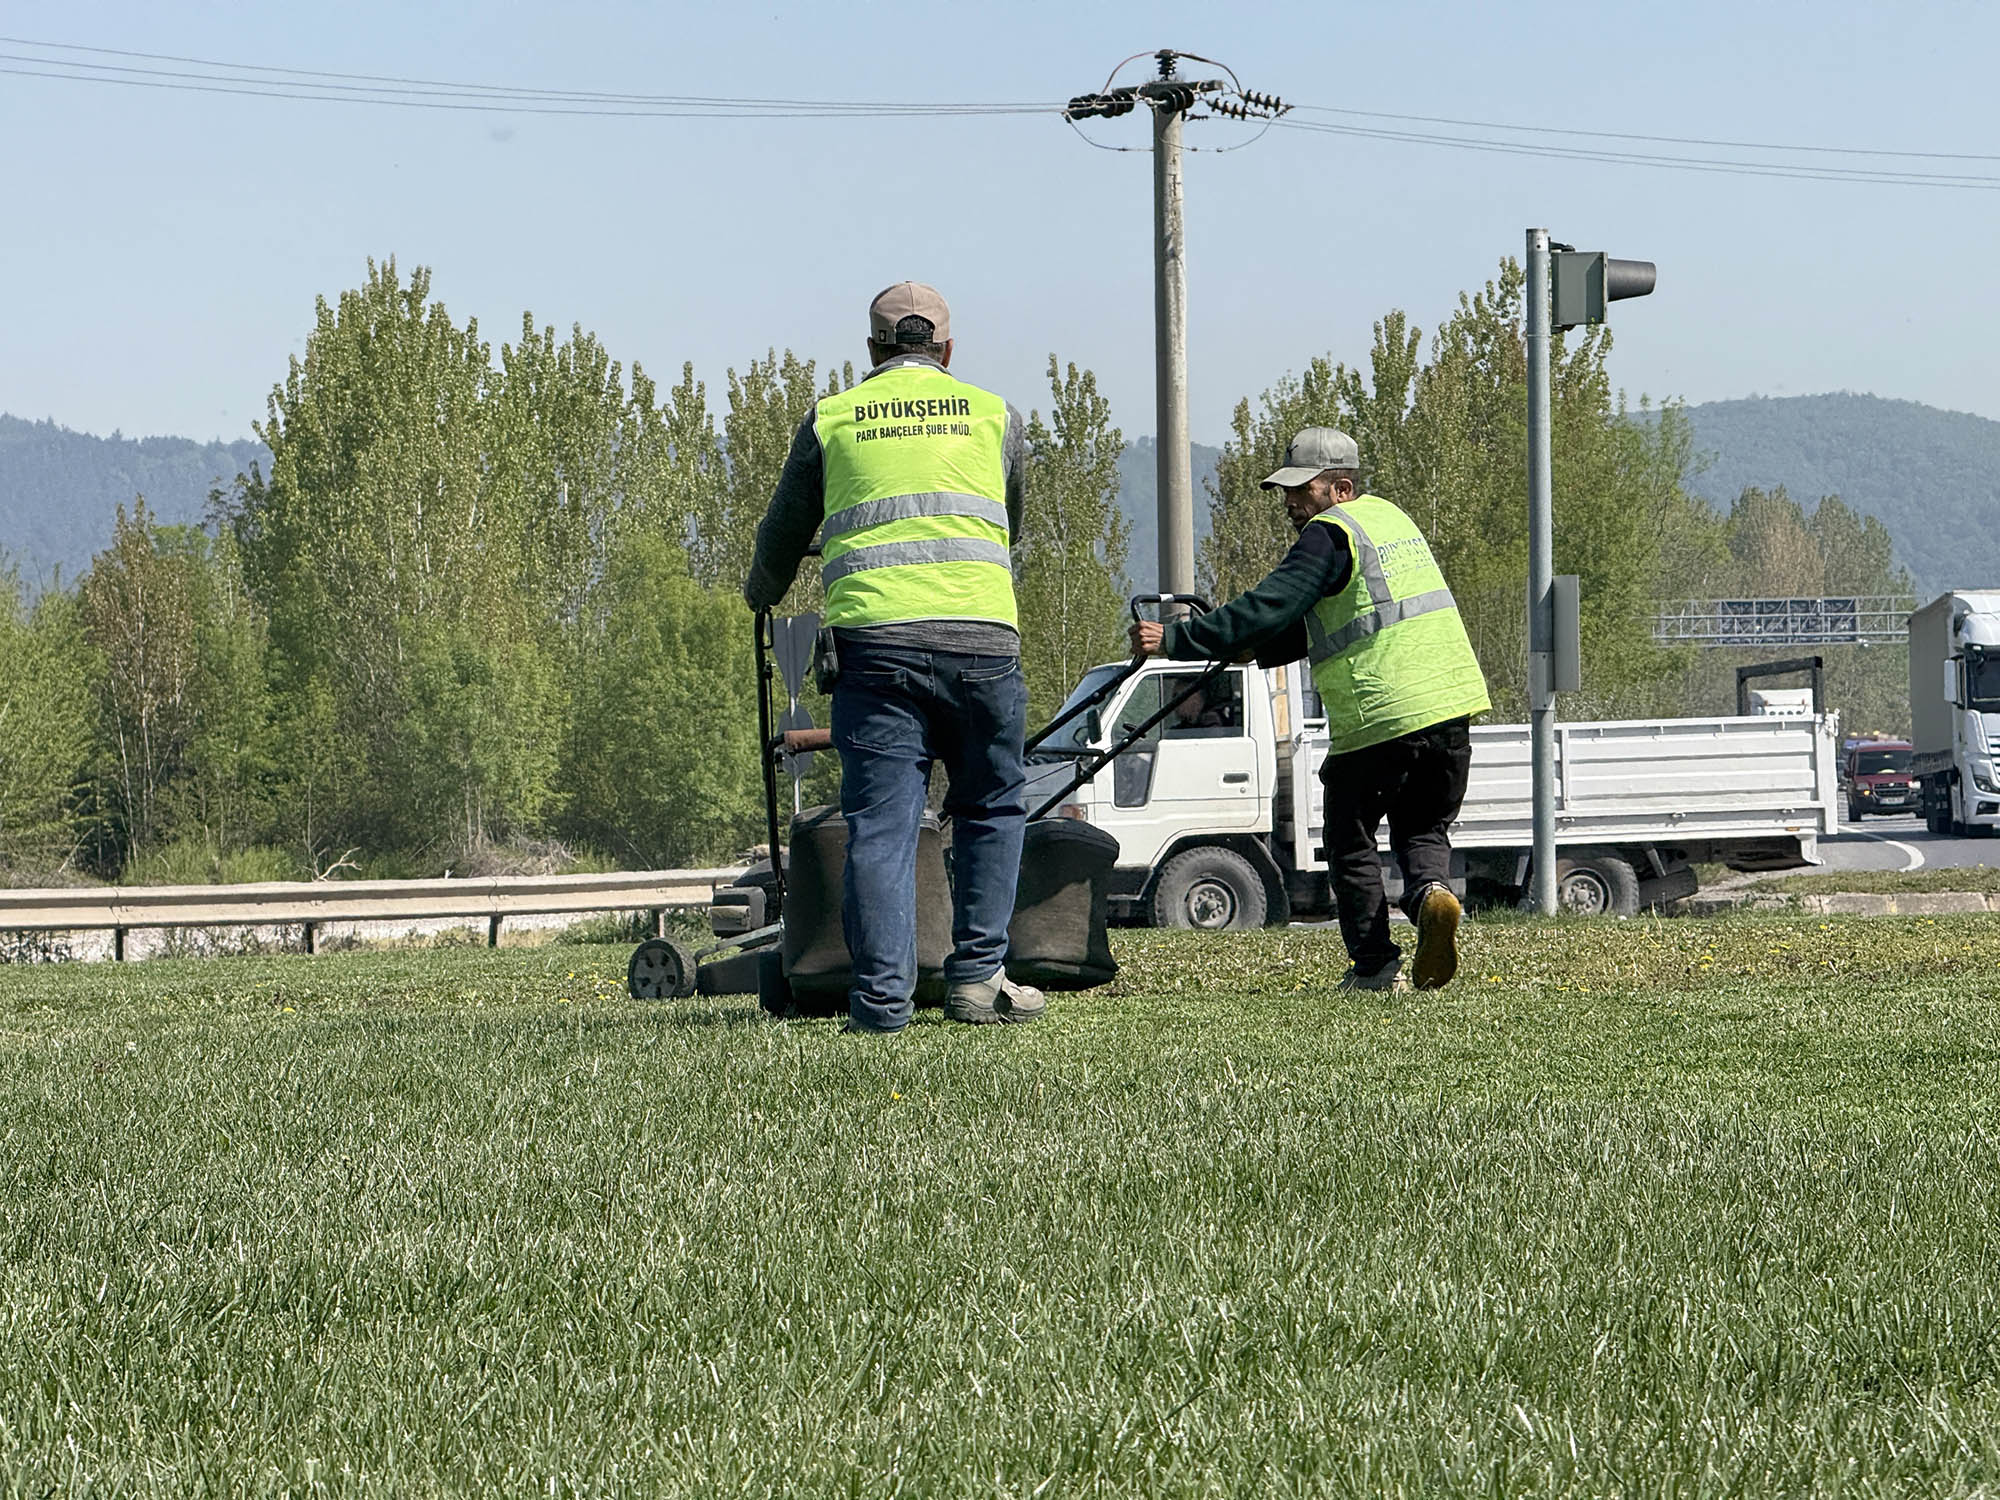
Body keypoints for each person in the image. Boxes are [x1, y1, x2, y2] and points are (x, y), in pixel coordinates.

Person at [745, 282, 1046, 1032]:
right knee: (989, 809)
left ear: (872, 350)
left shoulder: (833, 418)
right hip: (982, 639)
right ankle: (977, 982)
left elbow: (782, 533)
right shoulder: (995, 415)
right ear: (947, 349)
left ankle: (881, 1006)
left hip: (876, 649)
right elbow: (1011, 522)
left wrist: (761, 592)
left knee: (881, 828)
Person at [1128, 427, 1490, 991]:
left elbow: (1271, 603)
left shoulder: (1330, 532)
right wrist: (1256, 650)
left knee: (1350, 839)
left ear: (1341, 488)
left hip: (1380, 713)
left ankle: (1374, 966)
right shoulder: (1392, 522)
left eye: (1302, 489)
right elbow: (1332, 621)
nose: (1291, 503)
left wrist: (1177, 639)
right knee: (1423, 829)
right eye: (1286, 491)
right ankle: (1432, 898)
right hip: (1449, 705)